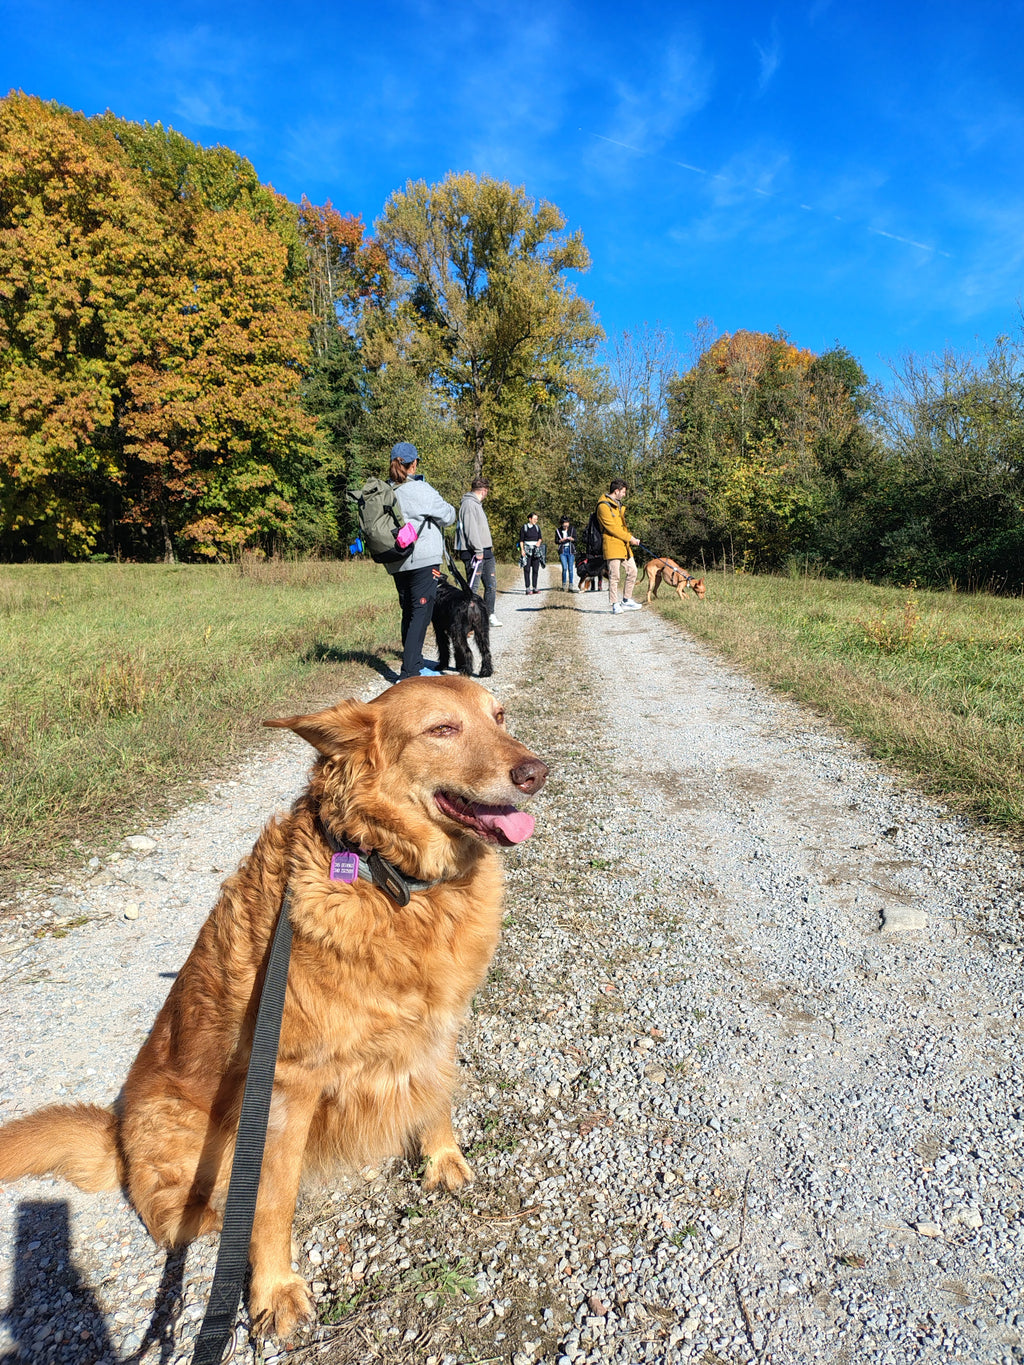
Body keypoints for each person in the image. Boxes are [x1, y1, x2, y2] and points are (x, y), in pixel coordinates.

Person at [385, 442, 456, 678]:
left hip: (397, 560)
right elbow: (448, 516)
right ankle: (410, 673)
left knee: (408, 611)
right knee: (421, 612)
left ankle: (413, 661)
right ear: (414, 463)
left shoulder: (387, 491)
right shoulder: (421, 489)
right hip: (423, 559)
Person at [455, 477, 501, 626]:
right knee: (472, 587)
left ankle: (489, 614)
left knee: (491, 584)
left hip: (486, 551)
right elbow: (470, 529)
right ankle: (468, 619)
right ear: (484, 491)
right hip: (474, 552)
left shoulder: (477, 505)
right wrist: (478, 549)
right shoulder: (469, 504)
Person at [596, 478, 641, 614]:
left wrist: (629, 539)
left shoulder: (618, 504)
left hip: (623, 545)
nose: (624, 494)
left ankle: (626, 600)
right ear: (616, 491)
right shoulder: (603, 506)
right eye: (623, 492)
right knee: (614, 576)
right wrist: (630, 538)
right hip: (612, 544)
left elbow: (622, 526)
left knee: (633, 571)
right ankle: (615, 603)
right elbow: (613, 528)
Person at [518, 513, 543, 594]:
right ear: (530, 519)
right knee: (527, 569)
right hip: (527, 549)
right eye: (534, 518)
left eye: (537, 519)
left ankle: (535, 587)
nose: (536, 520)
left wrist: (539, 542)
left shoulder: (537, 527)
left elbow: (540, 538)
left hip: (536, 550)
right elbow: (521, 540)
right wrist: (522, 550)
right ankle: (528, 588)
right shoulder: (524, 528)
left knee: (535, 569)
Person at [555, 517, 577, 591]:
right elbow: (556, 541)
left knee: (570, 569)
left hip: (570, 551)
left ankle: (571, 585)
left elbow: (576, 539)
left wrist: (572, 539)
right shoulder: (558, 531)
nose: (566, 526)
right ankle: (564, 585)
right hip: (563, 551)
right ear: (562, 524)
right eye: (564, 525)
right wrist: (561, 540)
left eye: (567, 525)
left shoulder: (572, 529)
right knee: (564, 568)